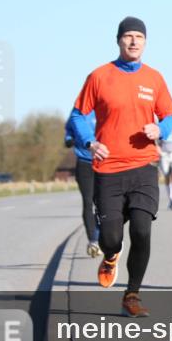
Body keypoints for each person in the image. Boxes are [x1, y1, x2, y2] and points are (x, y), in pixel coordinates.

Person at [70, 16, 172, 318]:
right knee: (111, 238)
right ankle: (110, 255)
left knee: (142, 231)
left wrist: (161, 130)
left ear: (145, 42)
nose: (133, 41)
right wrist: (90, 142)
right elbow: (79, 115)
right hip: (108, 169)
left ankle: (132, 294)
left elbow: (170, 116)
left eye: (138, 37)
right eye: (128, 36)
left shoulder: (154, 78)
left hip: (143, 167)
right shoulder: (99, 76)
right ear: (118, 40)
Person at [64, 108, 101, 257]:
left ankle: (102, 237)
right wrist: (69, 140)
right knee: (88, 202)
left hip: (104, 162)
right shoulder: (77, 113)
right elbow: (68, 132)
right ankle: (93, 241)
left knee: (103, 203)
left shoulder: (105, 107)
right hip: (84, 163)